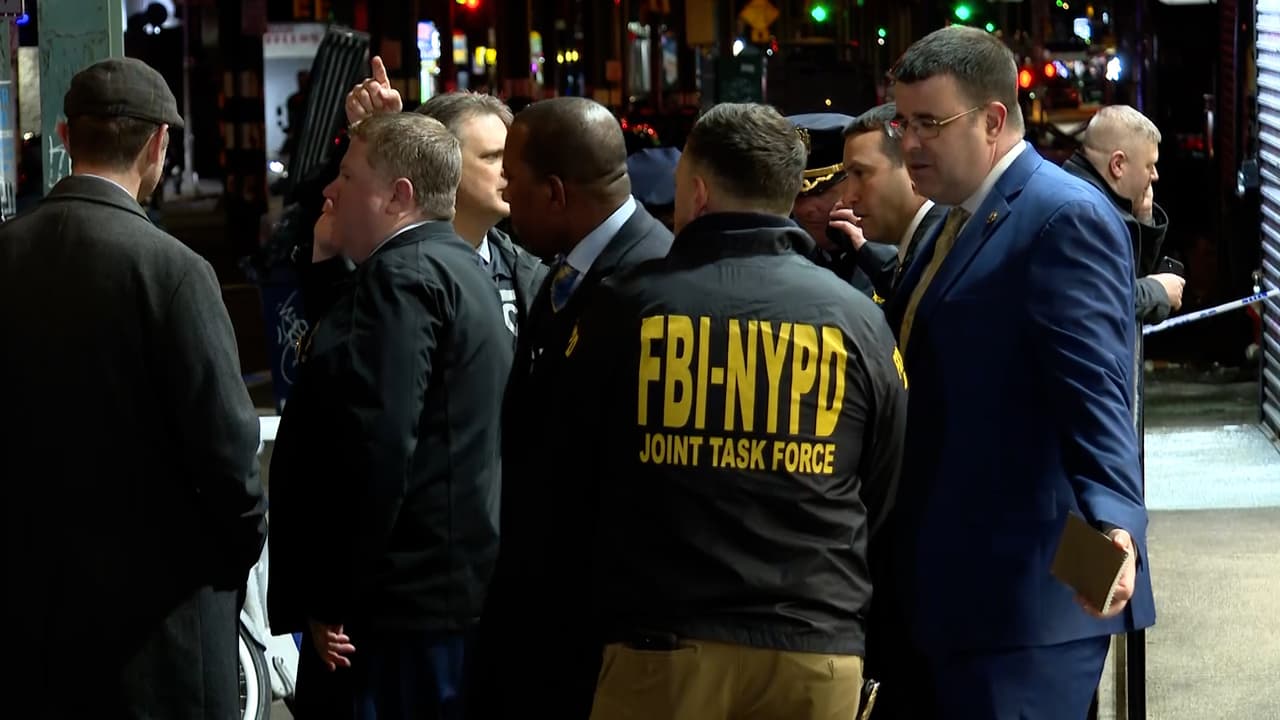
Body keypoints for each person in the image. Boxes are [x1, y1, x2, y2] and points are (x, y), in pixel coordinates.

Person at [570, 102, 908, 720]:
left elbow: (572, 474)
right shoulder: (858, 319)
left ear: (696, 192)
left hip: (663, 648)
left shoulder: (624, 308)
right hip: (815, 649)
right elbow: (882, 488)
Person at [884, 26, 1155, 719]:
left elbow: (1095, 393)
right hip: (960, 589)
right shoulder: (956, 219)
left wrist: (1116, 525)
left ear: (994, 121)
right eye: (901, 122)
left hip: (1033, 600)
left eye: (928, 124)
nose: (907, 144)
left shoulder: (1061, 217)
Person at [1, 57, 267, 717]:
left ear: (64, 135)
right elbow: (230, 456)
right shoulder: (172, 270)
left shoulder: (7, 253)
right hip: (159, 626)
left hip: (27, 612)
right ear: (158, 144)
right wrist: (231, 558)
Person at [266, 112, 513, 720]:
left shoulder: (400, 279)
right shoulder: (455, 266)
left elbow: (375, 449)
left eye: (347, 176)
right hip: (439, 600)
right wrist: (325, 270)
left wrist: (331, 597)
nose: (329, 191)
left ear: (398, 196)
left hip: (395, 618)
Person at [470, 96, 673, 717]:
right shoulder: (568, 269)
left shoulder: (652, 284)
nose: (505, 194)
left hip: (594, 621)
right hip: (549, 611)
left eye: (514, 179)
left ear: (555, 193)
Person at [344, 57, 548, 338]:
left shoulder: (530, 274)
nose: (509, 171)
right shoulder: (391, 269)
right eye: (492, 157)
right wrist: (373, 143)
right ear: (439, 162)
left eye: (511, 157)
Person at [1063, 104, 1184, 325]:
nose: (1155, 175)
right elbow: (1104, 299)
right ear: (1118, 164)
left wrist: (1143, 218)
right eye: (1149, 165)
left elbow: (1127, 277)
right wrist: (1160, 291)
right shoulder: (1081, 214)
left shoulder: (1096, 203)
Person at [828, 102, 948, 302]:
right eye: (848, 176)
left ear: (913, 169)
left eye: (861, 173)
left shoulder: (944, 254)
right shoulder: (931, 248)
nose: (849, 196)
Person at [787, 112, 876, 297]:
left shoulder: (893, 246)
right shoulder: (781, 251)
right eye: (797, 196)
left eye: (821, 192)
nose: (807, 209)